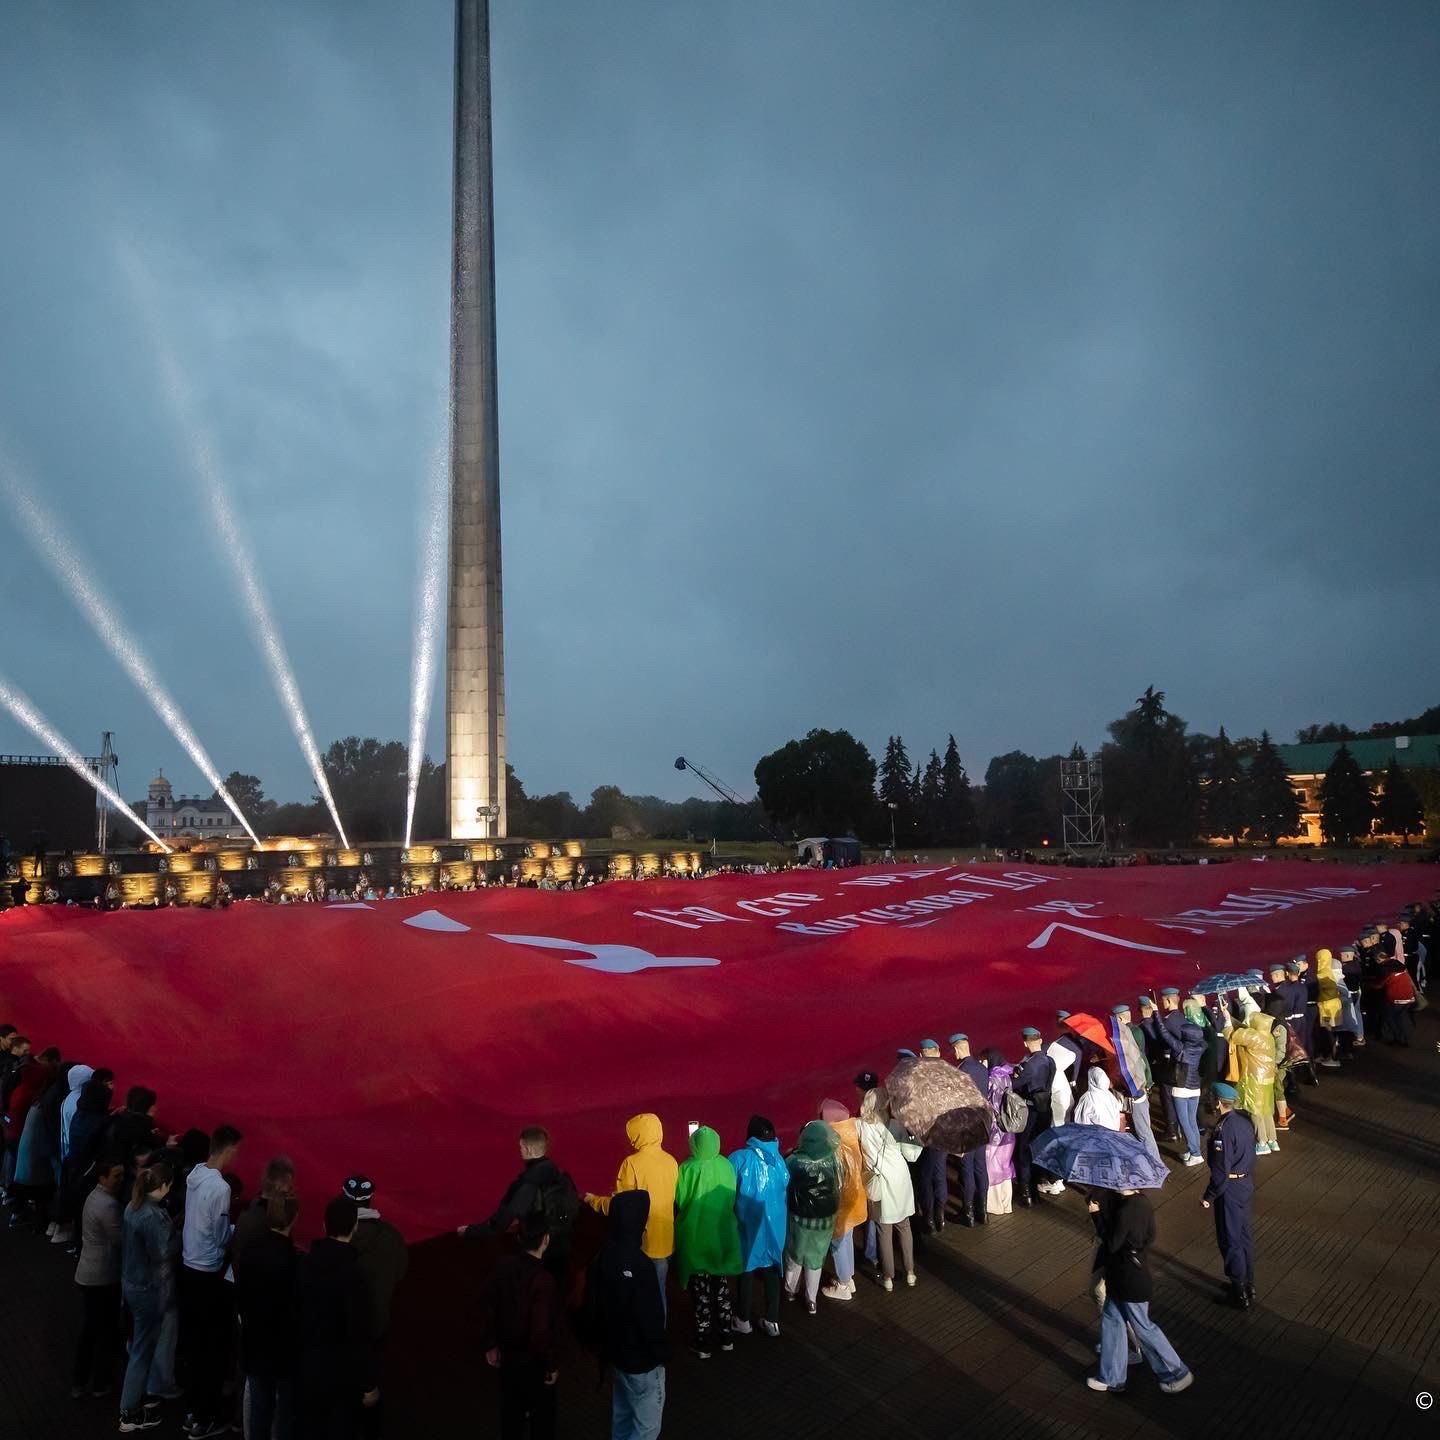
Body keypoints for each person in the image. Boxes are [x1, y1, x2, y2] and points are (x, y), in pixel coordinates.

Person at [1085, 1188, 1192, 1394]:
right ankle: (1112, 1377)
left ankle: (1177, 1372)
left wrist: (1097, 1215)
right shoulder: (1143, 1202)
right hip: (1130, 1271)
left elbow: (1112, 1243)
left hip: (1128, 1277)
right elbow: (1150, 1235)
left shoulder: (1126, 1210)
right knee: (1112, 1320)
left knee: (1143, 1327)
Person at [586, 1190, 668, 1440]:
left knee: (622, 1416)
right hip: (641, 1362)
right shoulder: (641, 1266)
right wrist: (662, 1353)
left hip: (616, 1356)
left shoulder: (603, 1257)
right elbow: (650, 1320)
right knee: (647, 1426)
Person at [180, 1123, 243, 1438]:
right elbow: (220, 1233)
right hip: (207, 1271)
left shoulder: (195, 1175)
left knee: (194, 1343)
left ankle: (192, 1409)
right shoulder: (220, 1188)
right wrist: (235, 1234)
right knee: (212, 1347)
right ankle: (204, 1416)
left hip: (188, 1264)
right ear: (229, 1149)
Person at [299, 1196, 379, 1439]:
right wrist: (368, 1383)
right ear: (355, 1226)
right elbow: (359, 1333)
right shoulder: (355, 1275)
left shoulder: (303, 1264)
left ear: (324, 1225)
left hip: (307, 1369)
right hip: (342, 1378)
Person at [481, 1211, 561, 1440]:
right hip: (534, 1365)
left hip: (508, 1360)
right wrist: (550, 1364)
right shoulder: (543, 1279)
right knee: (542, 1424)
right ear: (546, 1239)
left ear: (518, 1238)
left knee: (511, 1422)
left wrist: (490, 1343)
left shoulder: (502, 1267)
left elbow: (487, 1305)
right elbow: (540, 1330)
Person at [583, 1114, 678, 1303]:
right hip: (666, 1241)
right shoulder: (671, 1161)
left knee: (637, 1297)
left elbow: (621, 1207)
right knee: (659, 1294)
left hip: (641, 1243)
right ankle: (660, 1330)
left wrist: (594, 1201)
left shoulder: (632, 1163)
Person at [460, 1126, 577, 1278]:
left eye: (520, 1147)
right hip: (563, 1251)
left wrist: (469, 1231)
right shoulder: (562, 1176)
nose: (520, 1150)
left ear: (528, 1149)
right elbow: (574, 1210)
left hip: (537, 1257)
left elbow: (500, 1223)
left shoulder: (527, 1183)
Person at [344, 1172, 409, 1438]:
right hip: (378, 1324)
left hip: (343, 1330)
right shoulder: (392, 1236)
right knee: (373, 1389)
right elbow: (401, 1271)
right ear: (371, 1200)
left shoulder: (340, 1234)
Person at [119, 1158, 181, 1434]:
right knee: (142, 1351)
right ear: (165, 1185)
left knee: (140, 1346)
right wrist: (179, 1235)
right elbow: (164, 1252)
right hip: (149, 1289)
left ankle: (138, 1399)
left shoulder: (134, 1208)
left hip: (132, 1285)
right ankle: (129, 1410)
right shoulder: (153, 1216)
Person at [234, 1193, 301, 1440]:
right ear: (294, 1219)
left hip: (254, 1341)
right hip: (280, 1350)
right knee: (281, 1409)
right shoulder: (291, 1260)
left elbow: (240, 1289)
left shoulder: (252, 1248)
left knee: (259, 1404)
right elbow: (293, 1309)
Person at [672, 1125, 742, 1356]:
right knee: (721, 1286)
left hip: (695, 1236)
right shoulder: (726, 1165)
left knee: (700, 1290)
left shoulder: (687, 1168)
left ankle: (702, 1339)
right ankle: (726, 1334)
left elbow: (680, 1199)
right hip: (721, 1234)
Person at [727, 1115, 788, 1337]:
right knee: (773, 1268)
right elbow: (785, 1182)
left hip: (748, 1225)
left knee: (746, 1269)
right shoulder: (779, 1160)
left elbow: (727, 1188)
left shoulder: (739, 1159)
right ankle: (772, 1320)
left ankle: (743, 1318)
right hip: (775, 1226)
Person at [72, 1154, 126, 1399]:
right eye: (116, 1175)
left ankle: (83, 1380)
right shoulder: (108, 1205)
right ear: (102, 1177)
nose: (121, 1180)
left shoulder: (94, 1197)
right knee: (102, 1331)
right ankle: (97, 1382)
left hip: (89, 1274)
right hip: (101, 1277)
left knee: (91, 1330)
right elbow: (119, 1240)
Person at [1202, 1082, 1257, 1309]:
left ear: (1217, 1103)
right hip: (1245, 1183)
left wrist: (1210, 1194)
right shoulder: (1244, 1122)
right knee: (1243, 1236)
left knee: (1230, 1238)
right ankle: (1248, 1282)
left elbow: (1221, 1170)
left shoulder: (1223, 1131)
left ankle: (1239, 1291)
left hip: (1230, 1189)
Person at [856, 1090, 916, 1291]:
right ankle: (910, 1273)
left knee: (884, 1231)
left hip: (879, 1184)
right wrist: (916, 1137)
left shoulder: (860, 1125)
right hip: (900, 1180)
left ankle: (888, 1277)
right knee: (904, 1227)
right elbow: (912, 1156)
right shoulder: (895, 1125)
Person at [783, 1119, 840, 1311]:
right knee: (815, 1260)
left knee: (795, 1254)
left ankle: (791, 1290)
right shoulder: (833, 1158)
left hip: (799, 1218)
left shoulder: (794, 1161)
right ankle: (811, 1300)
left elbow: (784, 1183)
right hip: (825, 1219)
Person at [817, 1099, 866, 1301]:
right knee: (847, 1239)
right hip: (856, 1197)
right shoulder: (852, 1134)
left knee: (838, 1242)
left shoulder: (834, 1144)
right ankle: (848, 1278)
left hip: (841, 1202)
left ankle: (844, 1285)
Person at [949, 1034, 990, 1225]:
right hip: (982, 1124)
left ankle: (968, 1212)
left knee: (966, 1169)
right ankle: (983, 1210)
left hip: (966, 1126)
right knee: (980, 1167)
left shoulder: (960, 1071)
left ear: (957, 1049)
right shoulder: (982, 1068)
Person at [1226, 1011, 1280, 1156]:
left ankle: (1261, 1142)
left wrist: (1226, 1022)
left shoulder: (1254, 1037)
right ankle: (1272, 1140)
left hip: (1255, 1079)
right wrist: (1230, 1016)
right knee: (1267, 1109)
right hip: (1267, 1078)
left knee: (1255, 1111)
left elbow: (1233, 1036)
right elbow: (1244, 1030)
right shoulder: (1267, 1036)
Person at [1012, 1027, 1056, 1202]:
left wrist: (1013, 1077)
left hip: (1032, 1111)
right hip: (1046, 1108)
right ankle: (1037, 1186)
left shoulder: (1030, 1064)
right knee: (1039, 1148)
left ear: (1025, 1043)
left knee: (1023, 1151)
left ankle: (1026, 1193)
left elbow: (1016, 1084)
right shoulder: (1049, 1060)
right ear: (1040, 1039)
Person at [910, 1041, 950, 1231]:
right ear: (938, 1052)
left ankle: (929, 1220)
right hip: (944, 1134)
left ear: (921, 1054)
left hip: (927, 1135)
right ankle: (940, 1216)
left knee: (925, 1178)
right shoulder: (948, 1075)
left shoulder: (920, 1078)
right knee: (940, 1174)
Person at [1168, 1001, 1208, 1165]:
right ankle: (1194, 1150)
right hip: (1195, 1088)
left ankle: (1196, 1153)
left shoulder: (1181, 1048)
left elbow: (1164, 1034)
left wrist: (1156, 1013)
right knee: (1192, 1121)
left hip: (1181, 1089)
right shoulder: (1201, 1046)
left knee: (1185, 1123)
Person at [982, 1049, 1018, 1215]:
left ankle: (994, 1205)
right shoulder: (1006, 1075)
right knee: (1005, 1165)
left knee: (991, 1165)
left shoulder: (990, 1079)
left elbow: (990, 1104)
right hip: (1009, 1130)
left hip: (995, 1130)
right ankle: (1006, 1203)